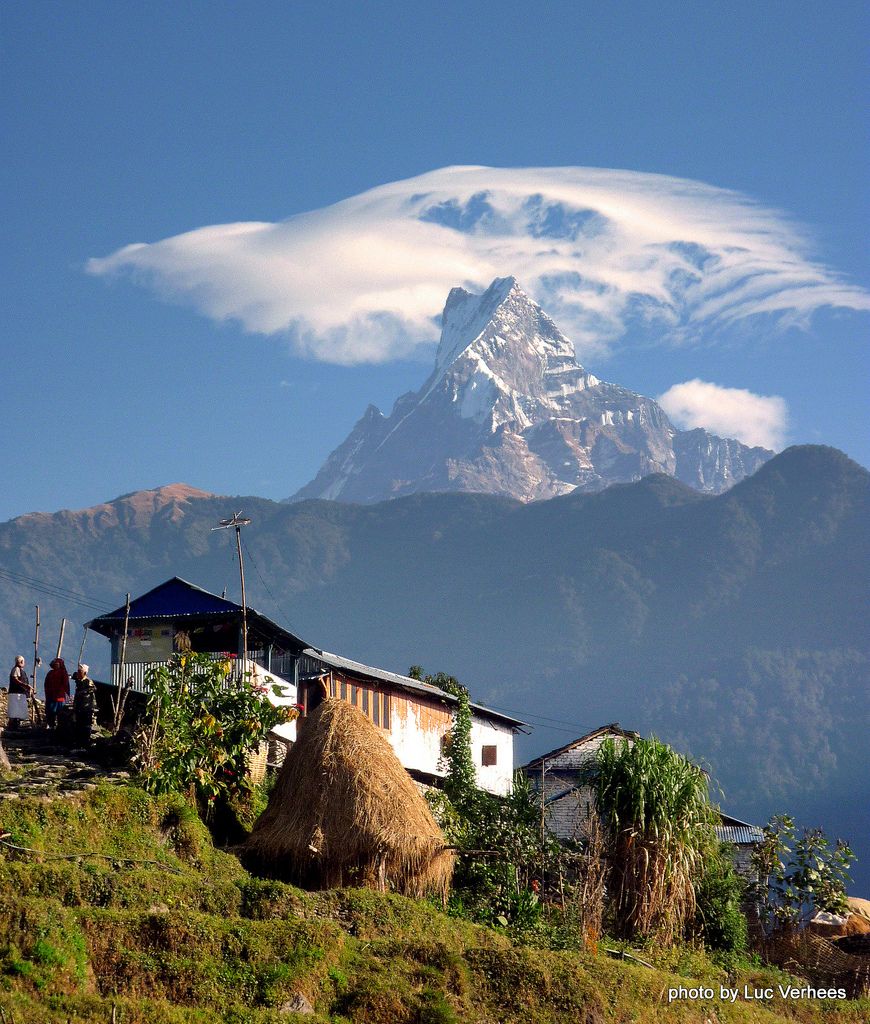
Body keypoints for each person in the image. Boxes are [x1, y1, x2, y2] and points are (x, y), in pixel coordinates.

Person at [72, 663, 97, 747]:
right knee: (78, 725)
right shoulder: (79, 682)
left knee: (86, 726)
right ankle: (79, 743)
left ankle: (85, 743)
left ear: (84, 673)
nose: (78, 673)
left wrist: (83, 692)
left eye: (80, 672)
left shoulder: (88, 681)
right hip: (79, 707)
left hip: (86, 708)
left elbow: (93, 689)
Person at [43, 657, 70, 730]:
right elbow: (46, 684)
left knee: (60, 712)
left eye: (57, 664)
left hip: (60, 696)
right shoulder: (50, 673)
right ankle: (51, 725)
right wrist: (48, 693)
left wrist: (66, 695)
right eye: (55, 664)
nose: (56, 665)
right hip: (51, 696)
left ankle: (60, 727)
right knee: (50, 711)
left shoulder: (63, 673)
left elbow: (65, 685)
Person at [7, 655, 32, 730]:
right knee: (15, 710)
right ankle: (13, 726)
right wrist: (25, 685)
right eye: (23, 661)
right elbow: (15, 679)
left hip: (20, 693)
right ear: (21, 662)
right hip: (16, 693)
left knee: (18, 711)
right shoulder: (16, 669)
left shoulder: (21, 670)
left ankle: (16, 726)